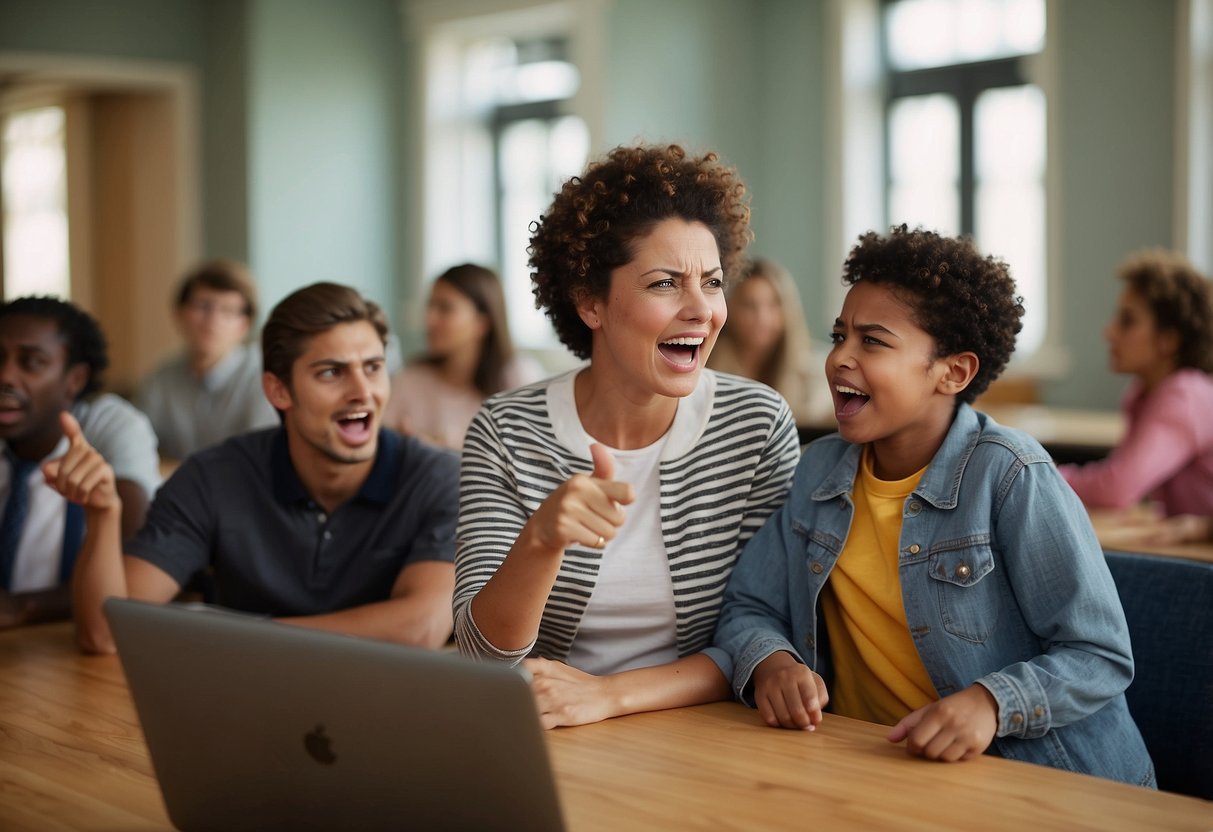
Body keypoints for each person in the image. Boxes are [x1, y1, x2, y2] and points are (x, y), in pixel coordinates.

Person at [714, 225, 1154, 786]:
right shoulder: (817, 473)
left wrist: (990, 704)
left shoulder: (1011, 475)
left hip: (1046, 782)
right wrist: (771, 661)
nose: (839, 358)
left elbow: (1099, 655)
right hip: (884, 770)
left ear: (954, 372)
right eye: (838, 335)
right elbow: (748, 605)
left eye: (872, 341)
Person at [453, 144, 802, 729]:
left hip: (706, 733)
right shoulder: (507, 429)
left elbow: (761, 634)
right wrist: (541, 539)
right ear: (591, 301)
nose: (703, 310)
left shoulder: (755, 424)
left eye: (712, 283)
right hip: (543, 729)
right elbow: (481, 653)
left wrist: (610, 695)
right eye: (665, 283)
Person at [52, 282, 459, 655]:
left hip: (390, 709)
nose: (362, 392)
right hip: (240, 709)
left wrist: (242, 637)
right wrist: (103, 514)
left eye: (373, 367)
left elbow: (420, 628)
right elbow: (102, 634)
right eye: (331, 372)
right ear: (278, 390)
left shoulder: (439, 478)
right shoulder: (212, 477)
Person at [0, 296, 159, 628]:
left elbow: (130, 559)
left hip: (72, 637)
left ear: (75, 379)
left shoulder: (108, 426)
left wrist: (20, 607)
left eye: (30, 362)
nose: (6, 377)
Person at [1057, 249, 1213, 517]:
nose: (1110, 332)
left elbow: (1115, 489)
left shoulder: (1184, 394)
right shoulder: (1142, 393)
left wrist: (1041, 475)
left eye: (1127, 321)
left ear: (1169, 340)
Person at [382, 263, 542, 450]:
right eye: (430, 306)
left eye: (445, 308)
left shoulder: (519, 378)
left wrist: (441, 450)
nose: (429, 319)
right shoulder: (410, 379)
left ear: (482, 322)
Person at [137, 259, 279, 461]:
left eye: (228, 310)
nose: (213, 320)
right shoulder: (160, 379)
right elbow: (137, 450)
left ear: (245, 324)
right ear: (179, 313)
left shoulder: (264, 378)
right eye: (203, 306)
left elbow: (261, 459)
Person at [707, 257, 824, 424]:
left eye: (773, 304)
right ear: (730, 309)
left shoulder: (814, 377)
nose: (762, 318)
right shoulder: (706, 368)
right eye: (749, 305)